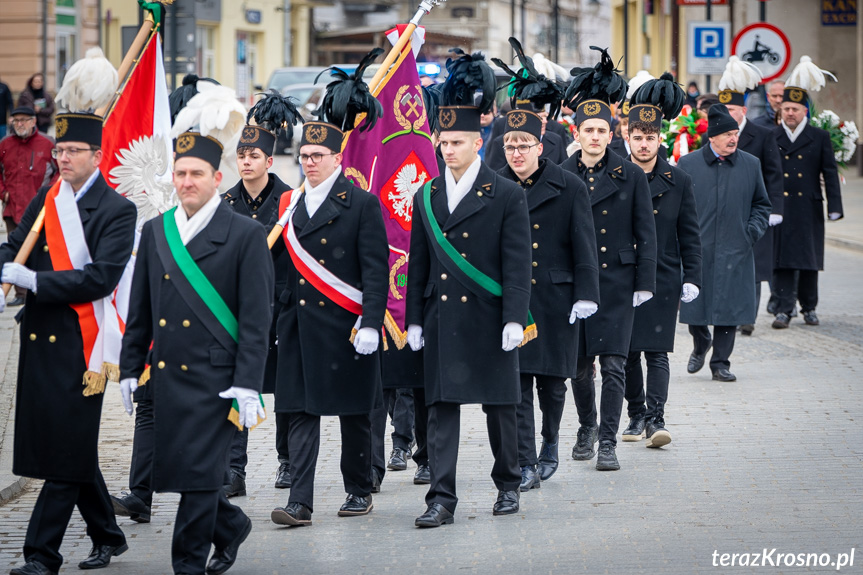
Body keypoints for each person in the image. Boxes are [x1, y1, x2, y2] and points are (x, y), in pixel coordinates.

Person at [119, 126, 273, 574]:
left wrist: (249, 385)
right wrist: (131, 368)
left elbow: (256, 320)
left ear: (216, 179)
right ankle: (230, 526)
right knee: (186, 472)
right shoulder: (155, 231)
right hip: (169, 377)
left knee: (200, 476)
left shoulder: (244, 235)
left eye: (197, 174)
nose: (187, 182)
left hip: (218, 381)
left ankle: (186, 565)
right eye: (180, 173)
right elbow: (141, 309)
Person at [3, 87, 134, 574]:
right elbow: (15, 247)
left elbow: (100, 277)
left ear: (97, 155)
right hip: (40, 339)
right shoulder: (48, 197)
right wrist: (3, 272)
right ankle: (108, 533)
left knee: (63, 452)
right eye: (57, 151)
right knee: (69, 447)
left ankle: (41, 555)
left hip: (86, 346)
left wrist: (34, 280)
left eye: (72, 151)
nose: (62, 158)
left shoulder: (117, 211)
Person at [406, 50, 531, 527]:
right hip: (443, 319)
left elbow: (518, 264)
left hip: (490, 317)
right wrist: (414, 320)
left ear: (477, 143)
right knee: (441, 411)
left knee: (501, 408)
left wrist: (516, 318)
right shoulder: (427, 194)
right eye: (443, 143)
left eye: (457, 142)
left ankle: (508, 484)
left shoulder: (505, 193)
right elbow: (419, 263)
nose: (448, 150)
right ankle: (441, 498)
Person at [270, 52, 389, 527]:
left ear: (338, 158)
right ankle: (300, 501)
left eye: (318, 156)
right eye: (304, 156)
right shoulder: (290, 204)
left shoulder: (361, 204)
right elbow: (279, 268)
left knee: (353, 414)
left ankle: (359, 489)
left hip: (346, 326)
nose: (310, 163)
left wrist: (371, 323)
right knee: (300, 412)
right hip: (299, 326)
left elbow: (376, 270)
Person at [494, 59, 599, 487]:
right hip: (514, 299)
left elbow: (584, 243)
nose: (516, 153)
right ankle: (524, 461)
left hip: (557, 298)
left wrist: (586, 294)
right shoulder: (495, 185)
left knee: (553, 383)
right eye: (509, 145)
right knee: (517, 385)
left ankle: (550, 444)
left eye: (524, 145)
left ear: (541, 146)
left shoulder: (568, 185)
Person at [560, 47, 657, 471]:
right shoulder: (561, 174)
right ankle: (586, 426)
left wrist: (645, 283)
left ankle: (609, 442)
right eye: (589, 130)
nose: (596, 137)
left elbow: (646, 233)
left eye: (602, 130)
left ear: (612, 133)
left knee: (615, 365)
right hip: (578, 285)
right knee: (580, 368)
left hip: (618, 281)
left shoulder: (631, 175)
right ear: (577, 133)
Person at [220, 92, 300, 498]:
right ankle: (235, 469)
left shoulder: (291, 201)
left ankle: (286, 463)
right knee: (240, 386)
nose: (247, 162)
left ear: (270, 161)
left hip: (281, 309)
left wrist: (285, 300)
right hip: (237, 313)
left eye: (254, 156)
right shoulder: (225, 205)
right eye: (242, 155)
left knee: (284, 390)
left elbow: (299, 261)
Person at [621, 74, 702, 448]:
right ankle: (635, 412)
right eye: (637, 137)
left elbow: (690, 233)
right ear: (627, 138)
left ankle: (656, 418)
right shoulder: (614, 177)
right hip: (621, 275)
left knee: (656, 350)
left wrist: (692, 276)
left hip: (663, 275)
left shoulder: (678, 180)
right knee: (626, 352)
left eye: (649, 138)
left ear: (659, 139)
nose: (643, 144)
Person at [678, 104, 771, 382]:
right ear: (713, 137)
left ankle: (720, 363)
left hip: (736, 248)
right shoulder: (689, 164)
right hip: (699, 249)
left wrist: (750, 232)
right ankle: (700, 340)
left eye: (736, 134)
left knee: (729, 309)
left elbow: (761, 205)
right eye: (728, 134)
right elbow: (678, 207)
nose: (733, 139)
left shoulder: (750, 164)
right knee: (694, 306)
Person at [771, 58, 843, 329]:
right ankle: (783, 308)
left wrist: (834, 206)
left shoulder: (819, 136)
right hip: (781, 206)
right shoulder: (772, 136)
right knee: (782, 260)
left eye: (795, 109)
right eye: (786, 108)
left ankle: (809, 307)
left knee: (809, 259)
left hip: (809, 205)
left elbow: (830, 173)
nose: (790, 113)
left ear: (805, 111)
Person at [716, 57, 784, 335]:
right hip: (723, 210)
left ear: (743, 110)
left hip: (753, 210)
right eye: (724, 110)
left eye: (732, 110)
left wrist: (774, 209)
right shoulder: (714, 136)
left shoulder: (763, 134)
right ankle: (725, 310)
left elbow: (774, 174)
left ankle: (748, 316)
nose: (728, 115)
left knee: (752, 267)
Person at [0, 106, 57, 305]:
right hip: (12, 205)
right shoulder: (5, 144)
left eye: (24, 120)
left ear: (34, 121)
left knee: (40, 249)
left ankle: (40, 286)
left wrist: (49, 193)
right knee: (14, 247)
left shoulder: (47, 143)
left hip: (40, 208)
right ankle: (20, 293)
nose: (20, 124)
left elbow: (59, 172)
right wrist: (2, 192)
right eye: (16, 121)